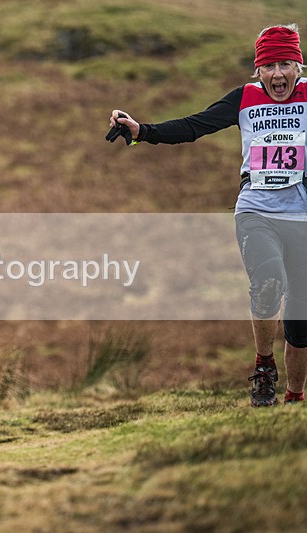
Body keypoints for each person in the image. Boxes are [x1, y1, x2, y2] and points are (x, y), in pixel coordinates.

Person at [108, 24, 307, 407]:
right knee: (267, 283)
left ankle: (294, 397)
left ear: (298, 66)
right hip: (256, 210)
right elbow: (194, 126)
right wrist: (141, 130)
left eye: (285, 64)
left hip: (301, 215)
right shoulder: (244, 98)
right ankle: (264, 366)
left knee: (300, 324)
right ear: (258, 70)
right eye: (269, 66)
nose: (277, 74)